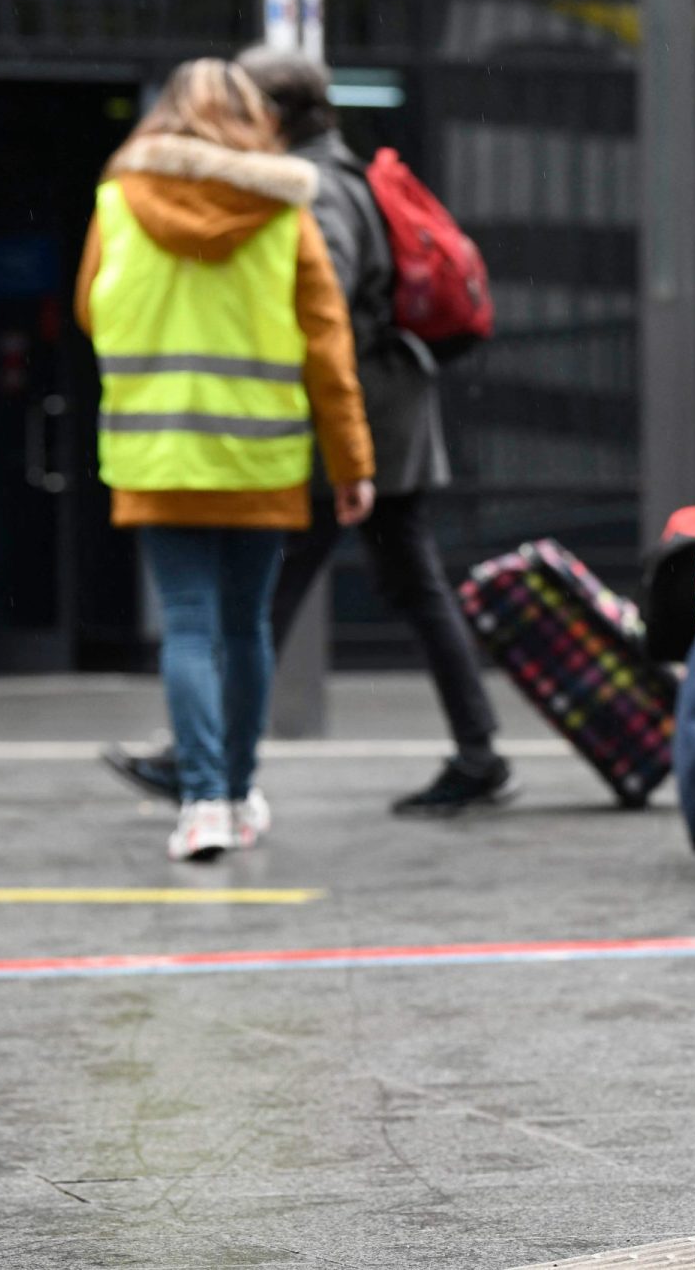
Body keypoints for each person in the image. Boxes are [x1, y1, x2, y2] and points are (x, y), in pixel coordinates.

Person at [104, 48, 516, 818]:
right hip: (386, 412)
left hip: (363, 424)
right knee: (399, 587)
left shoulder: (314, 189)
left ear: (273, 114)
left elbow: (313, 317)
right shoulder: (340, 170)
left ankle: (210, 759)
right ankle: (476, 747)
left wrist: (330, 434)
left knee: (260, 600)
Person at [76, 58, 376, 862]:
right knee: (244, 626)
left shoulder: (118, 202)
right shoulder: (284, 212)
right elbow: (327, 346)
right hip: (259, 455)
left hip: (156, 451)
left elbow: (87, 309)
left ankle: (201, 802)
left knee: (187, 623)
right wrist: (352, 466)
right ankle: (238, 795)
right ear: (253, 122)